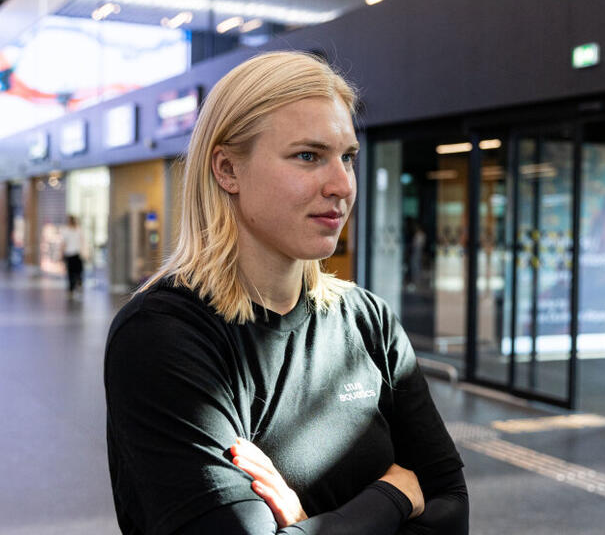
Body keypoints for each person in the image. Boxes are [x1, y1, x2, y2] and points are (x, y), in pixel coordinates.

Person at [104, 52, 469, 535]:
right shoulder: (163, 337)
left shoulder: (368, 322)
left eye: (347, 157)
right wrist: (394, 496)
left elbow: (452, 510)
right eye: (308, 156)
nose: (341, 185)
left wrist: (305, 526)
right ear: (227, 169)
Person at [61, 215, 85, 297]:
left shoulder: (67, 230)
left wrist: (62, 254)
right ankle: (77, 284)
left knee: (71, 273)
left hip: (71, 254)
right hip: (75, 254)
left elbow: (64, 244)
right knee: (77, 271)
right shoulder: (78, 230)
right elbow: (82, 242)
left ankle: (72, 289)